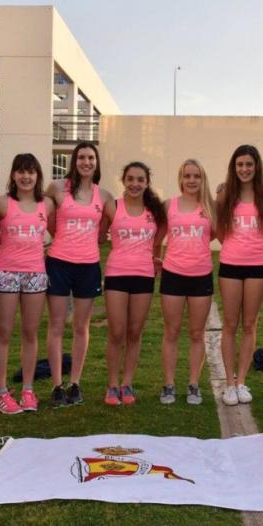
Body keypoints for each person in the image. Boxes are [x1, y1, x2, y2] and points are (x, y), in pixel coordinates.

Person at [45, 142, 113, 408]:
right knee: (56, 325)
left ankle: (75, 383)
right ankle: (56, 385)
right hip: (59, 263)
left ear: (96, 163)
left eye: (91, 158)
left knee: (81, 326)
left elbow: (110, 225)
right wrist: (57, 238)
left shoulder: (104, 195)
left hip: (88, 266)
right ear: (74, 161)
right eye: (82, 157)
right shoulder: (56, 188)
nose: (86, 162)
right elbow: (47, 218)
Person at [0, 154, 55, 414]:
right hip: (7, 272)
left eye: (31, 172)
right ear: (13, 175)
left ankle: (28, 390)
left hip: (35, 274)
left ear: (38, 175)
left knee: (30, 333)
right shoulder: (2, 203)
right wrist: (5, 241)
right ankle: (1, 392)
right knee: (4, 333)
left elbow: (58, 232)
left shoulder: (47, 204)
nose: (26, 177)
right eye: (21, 172)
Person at [103, 161, 166, 406]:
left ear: (147, 183)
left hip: (144, 275)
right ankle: (111, 385)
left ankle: (127, 383)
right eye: (130, 179)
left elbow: (160, 236)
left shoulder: (155, 211)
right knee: (117, 332)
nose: (135, 184)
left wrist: (156, 254)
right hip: (117, 273)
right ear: (124, 180)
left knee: (134, 332)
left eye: (140, 179)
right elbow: (98, 234)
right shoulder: (113, 207)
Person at [216, 145, 263, 406]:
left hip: (258, 266)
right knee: (230, 324)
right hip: (230, 264)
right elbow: (218, 229)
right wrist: (234, 245)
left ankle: (242, 382)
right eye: (240, 164)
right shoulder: (225, 194)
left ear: (257, 166)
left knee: (250, 323)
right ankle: (229, 382)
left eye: (249, 164)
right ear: (233, 167)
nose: (244, 169)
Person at [159, 159, 215, 405]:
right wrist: (155, 259)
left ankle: (193, 384)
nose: (191, 180)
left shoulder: (210, 208)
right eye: (187, 176)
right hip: (173, 274)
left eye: (196, 176)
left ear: (202, 179)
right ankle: (169, 385)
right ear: (180, 179)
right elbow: (155, 236)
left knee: (196, 333)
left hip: (201, 275)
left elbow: (221, 234)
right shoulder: (169, 206)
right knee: (171, 331)